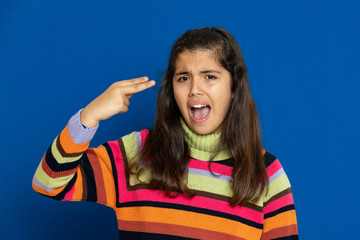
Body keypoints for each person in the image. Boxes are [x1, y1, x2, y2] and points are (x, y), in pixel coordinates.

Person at [33, 27, 298, 239]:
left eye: (209, 76)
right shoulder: (135, 153)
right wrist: (88, 117)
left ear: (234, 88)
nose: (195, 89)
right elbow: (48, 183)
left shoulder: (266, 174)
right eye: (183, 77)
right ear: (172, 88)